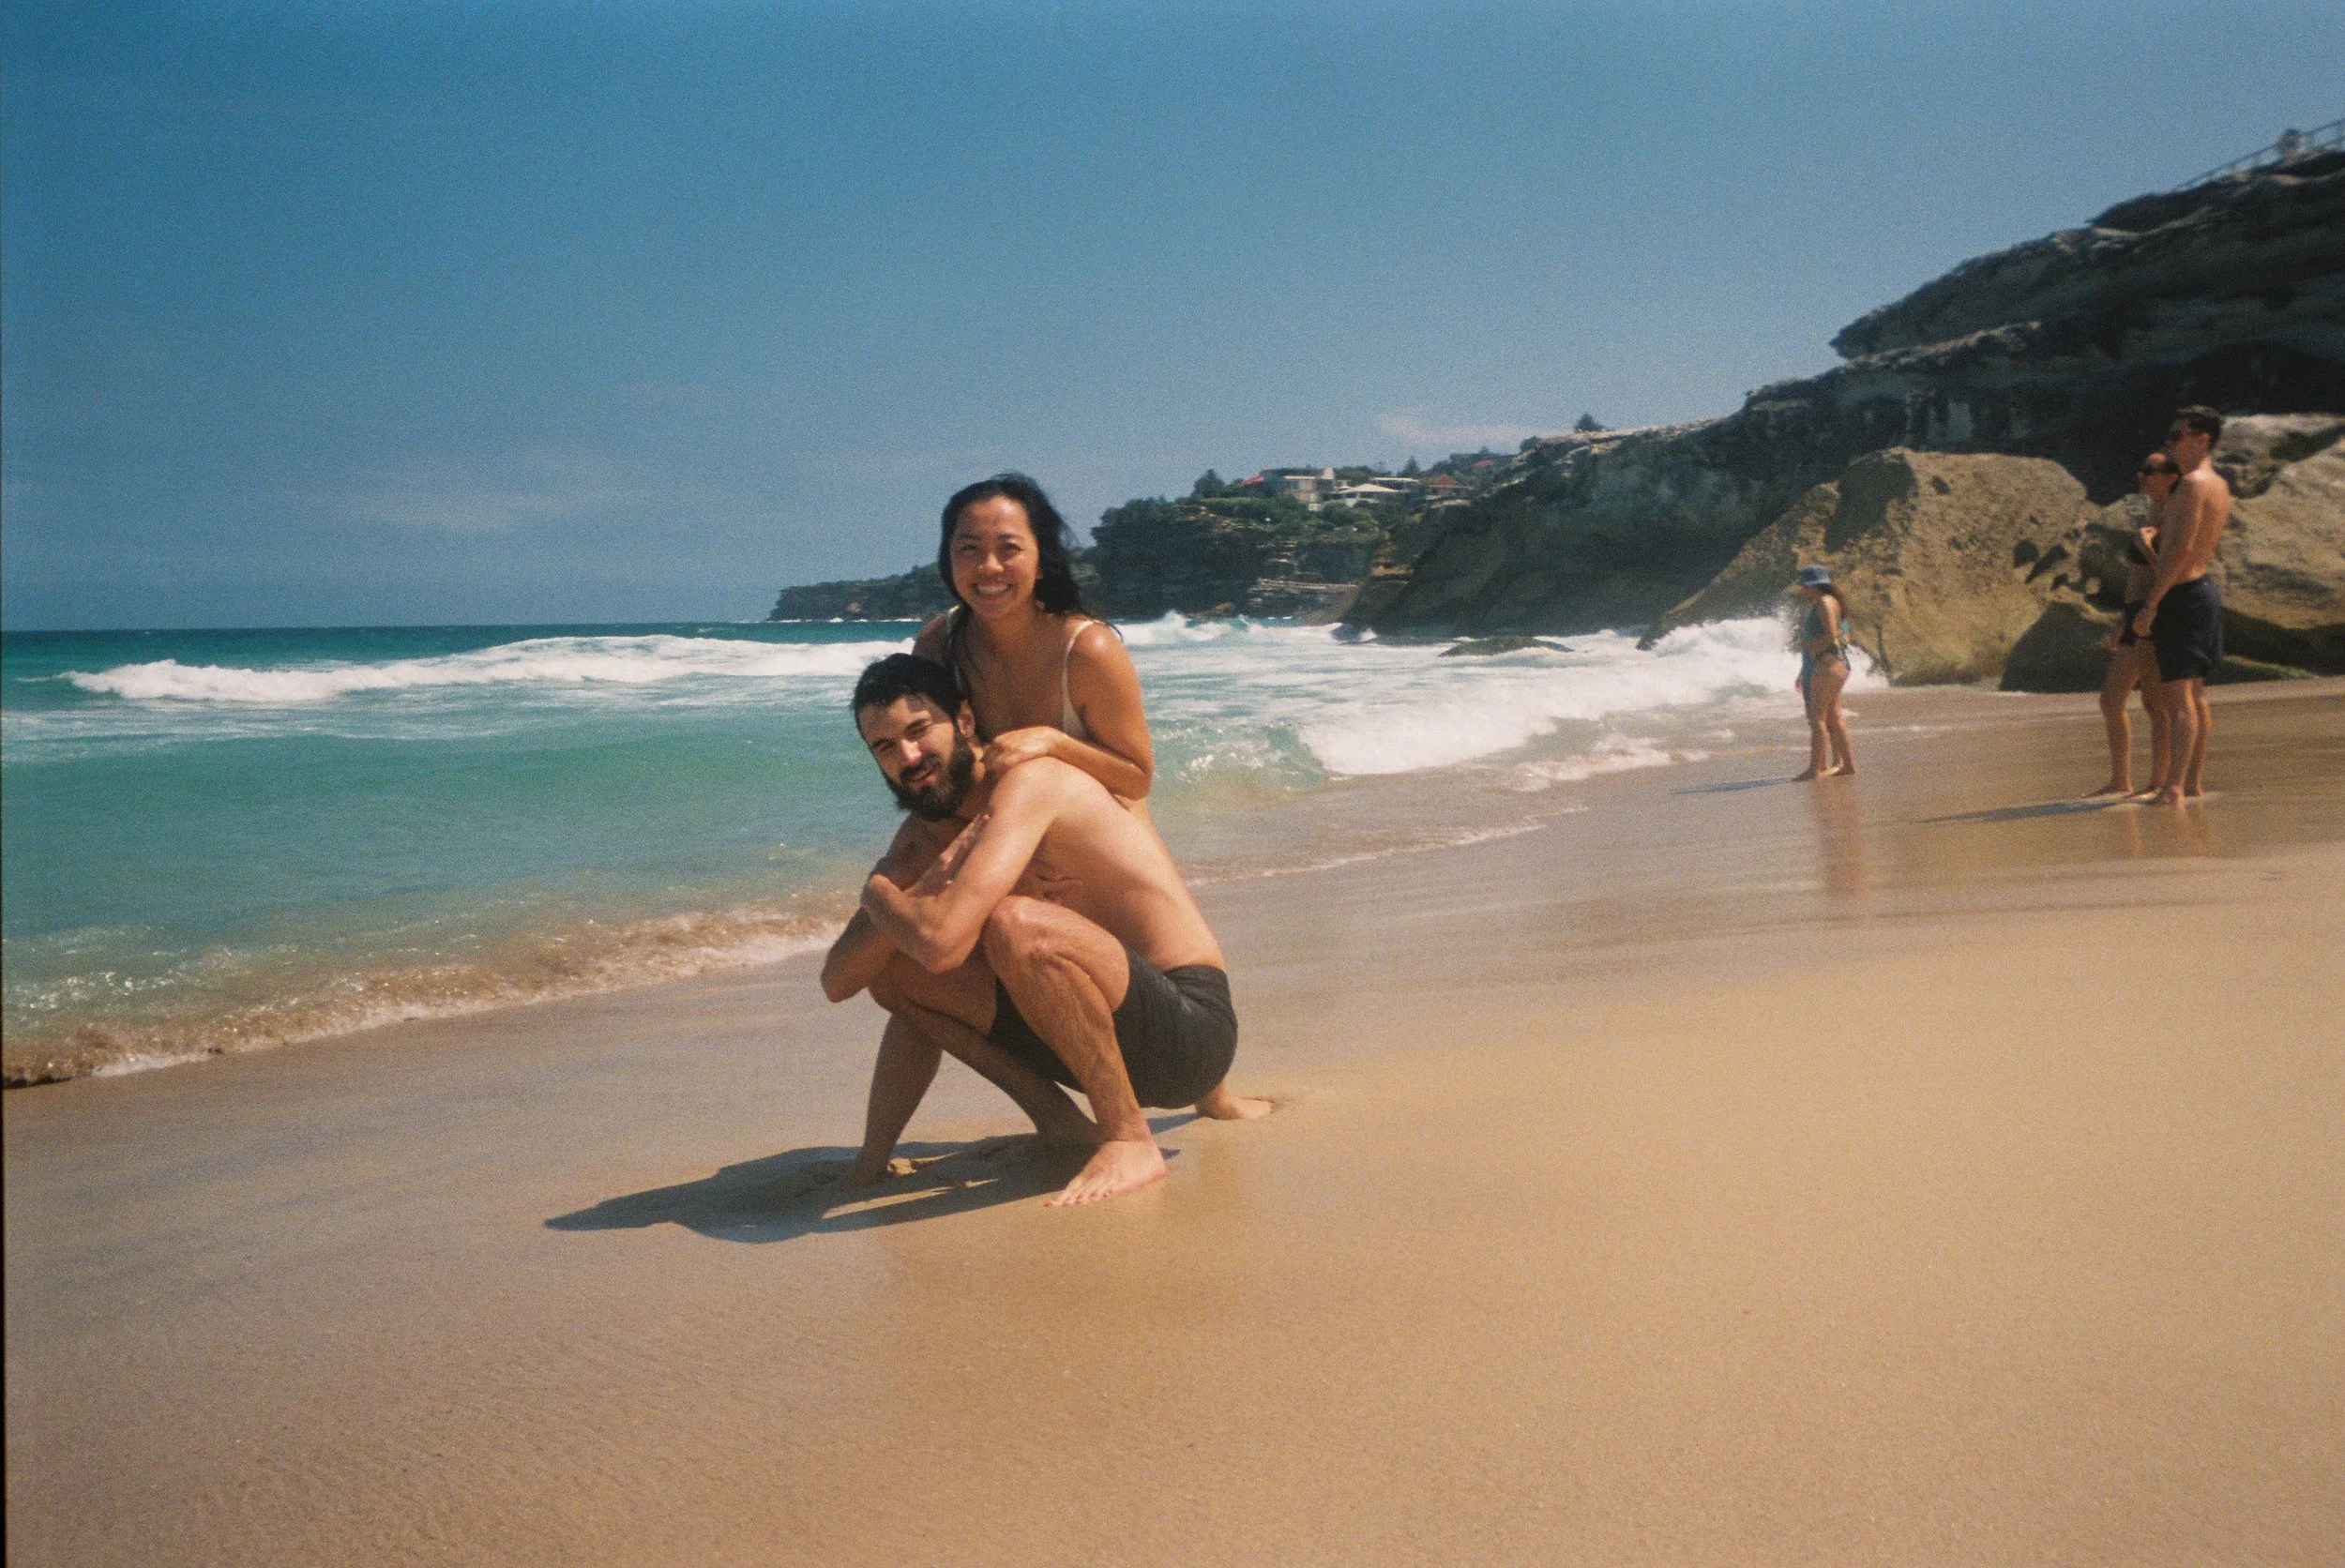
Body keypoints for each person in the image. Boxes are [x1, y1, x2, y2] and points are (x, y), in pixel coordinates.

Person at [821, 655, 1269, 1208]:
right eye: (886, 747)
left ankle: (1129, 1139)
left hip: (1190, 1035)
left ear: (963, 721)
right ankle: (1057, 1125)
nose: (908, 757)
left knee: (1015, 925)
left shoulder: (1031, 783)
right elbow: (838, 981)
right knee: (894, 974)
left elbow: (940, 944)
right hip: (1098, 1037)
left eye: (919, 730)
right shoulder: (927, 832)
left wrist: (880, 894)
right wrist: (890, 898)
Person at [913, 474, 1154, 804]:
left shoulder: (1086, 650)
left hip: (1093, 824)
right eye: (969, 549)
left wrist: (1053, 743)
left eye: (1009, 548)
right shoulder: (939, 643)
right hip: (997, 817)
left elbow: (1137, 779)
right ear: (948, 559)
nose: (989, 567)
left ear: (1041, 561)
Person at [2132, 407, 2232, 804]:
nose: (2169, 442)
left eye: (2177, 435)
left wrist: (2151, 603)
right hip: (2201, 591)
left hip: (2183, 595)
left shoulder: (2191, 484)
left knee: (2178, 698)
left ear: (2202, 439)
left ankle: (2174, 786)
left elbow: (2182, 549)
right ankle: (2191, 783)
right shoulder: (2218, 485)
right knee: (2195, 695)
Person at [2084, 453, 2179, 797]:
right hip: (2134, 613)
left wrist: (2146, 546)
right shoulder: (2154, 514)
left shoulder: (2176, 513)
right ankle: (2120, 780)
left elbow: (2173, 570)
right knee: (2111, 700)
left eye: (2149, 470)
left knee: (2156, 704)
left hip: (2154, 612)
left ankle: (2159, 782)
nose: (2141, 475)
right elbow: (2139, 575)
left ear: (2170, 476)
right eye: (2142, 469)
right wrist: (2123, 621)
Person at [1791, 565, 1855, 780]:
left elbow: (1831, 635)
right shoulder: (1829, 601)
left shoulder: (1825, 602)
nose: (1803, 590)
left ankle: (1815, 769)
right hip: (1836, 664)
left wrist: (1809, 644)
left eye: (1804, 586)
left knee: (1817, 718)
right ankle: (1848, 766)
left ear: (1813, 585)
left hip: (1828, 665)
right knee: (1834, 718)